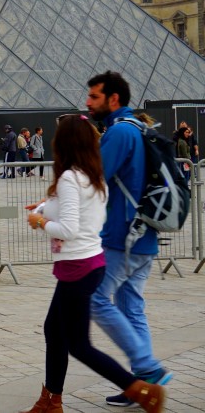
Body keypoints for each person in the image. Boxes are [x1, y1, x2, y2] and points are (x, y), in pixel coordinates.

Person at [20, 114, 165, 413]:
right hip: (87, 264)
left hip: (77, 267)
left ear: (66, 143)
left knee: (79, 345)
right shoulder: (93, 175)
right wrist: (46, 206)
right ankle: (51, 400)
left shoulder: (71, 178)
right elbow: (81, 212)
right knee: (53, 330)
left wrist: (41, 221)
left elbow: (69, 229)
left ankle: (141, 390)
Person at [84, 71, 171, 406]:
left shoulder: (120, 132)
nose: (88, 102)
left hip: (122, 237)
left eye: (94, 96)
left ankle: (148, 369)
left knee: (95, 300)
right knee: (132, 308)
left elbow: (94, 179)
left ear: (113, 99)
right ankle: (142, 386)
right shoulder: (138, 128)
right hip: (145, 235)